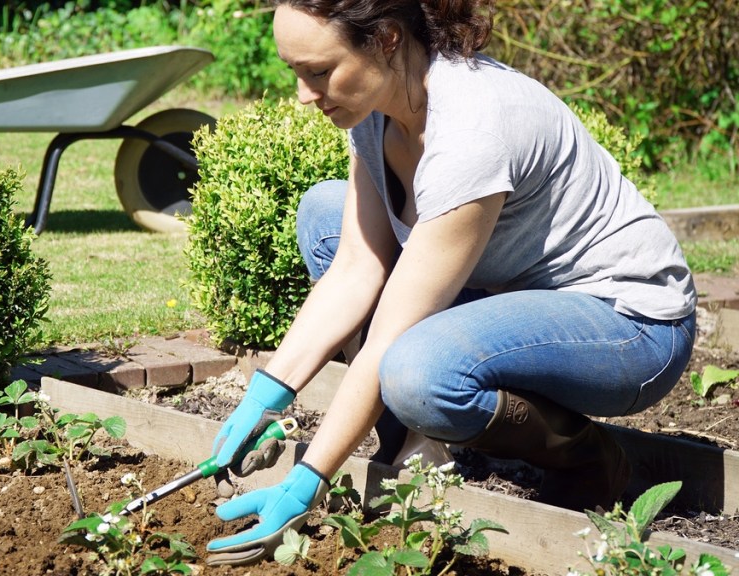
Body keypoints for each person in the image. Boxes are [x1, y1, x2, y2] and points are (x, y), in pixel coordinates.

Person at [203, 0, 698, 567]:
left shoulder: (472, 127)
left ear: (386, 38)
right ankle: (412, 443)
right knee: (324, 213)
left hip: (626, 325)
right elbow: (356, 268)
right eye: (296, 72)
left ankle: (591, 461)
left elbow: (391, 333)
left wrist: (308, 479)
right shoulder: (373, 108)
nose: (304, 93)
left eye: (318, 71)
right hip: (513, 294)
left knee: (417, 372)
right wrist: (265, 397)